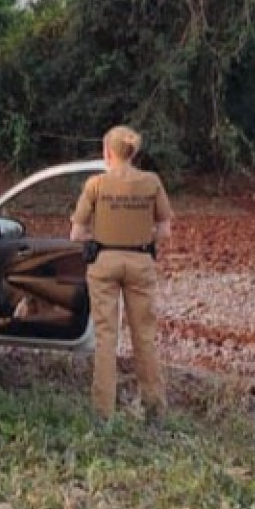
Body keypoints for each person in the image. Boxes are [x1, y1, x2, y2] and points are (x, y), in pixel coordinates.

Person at [70, 124, 174, 420]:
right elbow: (165, 231)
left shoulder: (95, 185)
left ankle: (103, 412)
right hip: (141, 263)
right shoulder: (151, 182)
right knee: (144, 336)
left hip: (104, 264)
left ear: (107, 153)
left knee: (106, 338)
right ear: (133, 152)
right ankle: (154, 408)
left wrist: (97, 234)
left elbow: (76, 233)